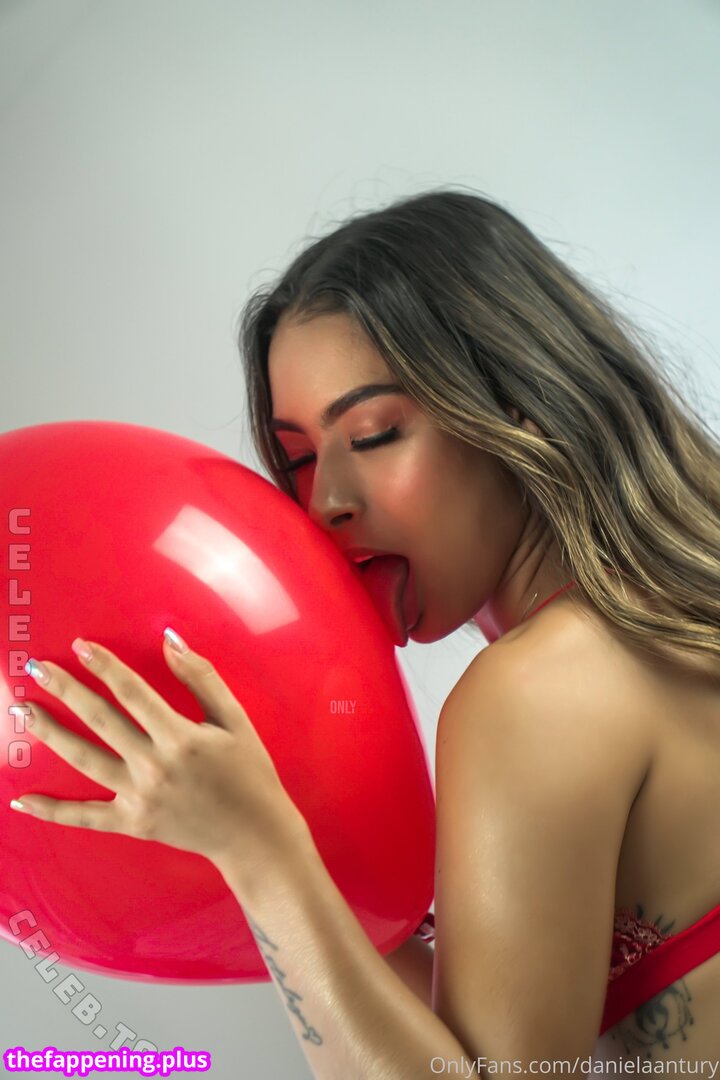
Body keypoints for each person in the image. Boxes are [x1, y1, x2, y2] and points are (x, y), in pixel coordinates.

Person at [238, 187, 720, 1075]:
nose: (326, 500)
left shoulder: (537, 693)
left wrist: (258, 855)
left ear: (517, 405)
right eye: (300, 457)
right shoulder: (659, 628)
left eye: (373, 433)